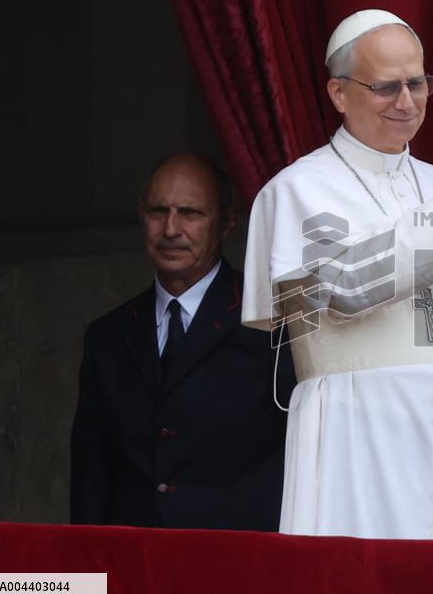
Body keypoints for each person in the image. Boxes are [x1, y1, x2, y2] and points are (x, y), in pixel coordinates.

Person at [242, 9, 433, 544]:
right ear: (339, 93)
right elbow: (348, 288)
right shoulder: (296, 190)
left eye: (417, 83)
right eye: (386, 87)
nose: (406, 102)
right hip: (354, 436)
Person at [70, 153, 293, 531]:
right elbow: (92, 475)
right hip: (131, 567)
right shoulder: (107, 337)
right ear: (142, 215)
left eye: (190, 213)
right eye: (159, 211)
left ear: (226, 223)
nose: (171, 229)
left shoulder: (272, 325)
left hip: (237, 568)